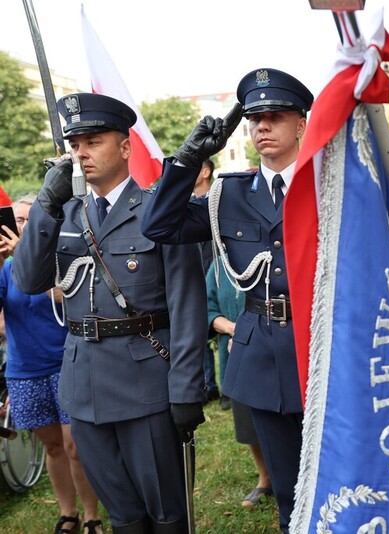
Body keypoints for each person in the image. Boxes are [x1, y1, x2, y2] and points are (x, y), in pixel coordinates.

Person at [12, 92, 207, 533]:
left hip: (147, 385)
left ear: (124, 147)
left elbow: (187, 306)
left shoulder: (159, 211)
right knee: (123, 516)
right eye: (76, 144)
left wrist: (186, 389)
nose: (82, 153)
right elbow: (27, 281)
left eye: (93, 141)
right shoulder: (64, 213)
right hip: (84, 387)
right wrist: (44, 205)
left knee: (166, 513)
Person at [141, 68, 313, 534]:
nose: (261, 126)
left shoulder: (328, 184)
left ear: (301, 123)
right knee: (288, 488)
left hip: (323, 346)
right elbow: (157, 226)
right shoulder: (229, 194)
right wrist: (189, 157)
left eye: (275, 116)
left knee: (339, 477)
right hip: (262, 353)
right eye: (254, 117)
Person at [0, 196, 103, 534]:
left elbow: (66, 296)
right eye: (17, 218)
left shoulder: (60, 259)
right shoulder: (4, 268)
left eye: (31, 219)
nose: (24, 225)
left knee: (76, 446)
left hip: (66, 364)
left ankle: (92, 516)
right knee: (54, 448)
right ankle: (68, 513)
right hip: (25, 370)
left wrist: (25, 258)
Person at [205, 259, 272, 507]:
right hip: (234, 354)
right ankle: (265, 479)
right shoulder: (219, 265)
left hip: (269, 348)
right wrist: (235, 329)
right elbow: (208, 310)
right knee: (246, 421)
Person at [193, 159, 222, 405]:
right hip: (198, 275)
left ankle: (231, 391)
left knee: (223, 328)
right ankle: (207, 385)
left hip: (222, 276)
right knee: (198, 332)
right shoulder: (189, 206)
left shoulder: (221, 200)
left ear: (206, 171)